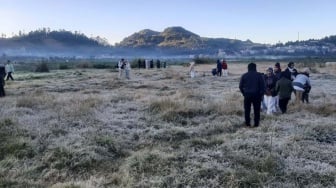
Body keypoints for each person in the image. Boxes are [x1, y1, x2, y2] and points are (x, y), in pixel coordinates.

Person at [239, 63, 265, 127]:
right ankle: (256, 124)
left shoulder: (244, 75)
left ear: (248, 68)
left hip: (247, 95)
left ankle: (247, 123)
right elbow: (263, 86)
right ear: (255, 67)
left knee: (247, 110)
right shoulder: (259, 75)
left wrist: (244, 93)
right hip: (257, 95)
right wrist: (260, 94)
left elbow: (240, 86)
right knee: (257, 110)